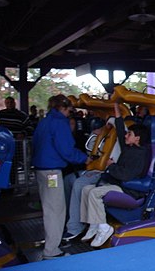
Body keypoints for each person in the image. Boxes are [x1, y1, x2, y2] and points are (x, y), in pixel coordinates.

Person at [79, 102, 150, 247]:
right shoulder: (129, 147)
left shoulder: (140, 155)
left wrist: (111, 166)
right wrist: (117, 110)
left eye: (129, 134)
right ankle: (94, 224)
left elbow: (126, 175)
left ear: (137, 138)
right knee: (86, 190)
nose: (126, 135)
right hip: (118, 184)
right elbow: (119, 129)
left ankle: (104, 228)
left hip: (128, 190)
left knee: (94, 193)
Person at [31, 94, 92, 259]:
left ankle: (52, 242)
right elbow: (66, 149)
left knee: (49, 209)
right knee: (56, 210)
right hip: (52, 172)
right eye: (69, 110)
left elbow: (35, 144)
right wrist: (85, 158)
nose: (69, 114)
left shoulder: (44, 121)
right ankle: (52, 251)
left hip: (41, 169)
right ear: (63, 107)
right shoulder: (59, 123)